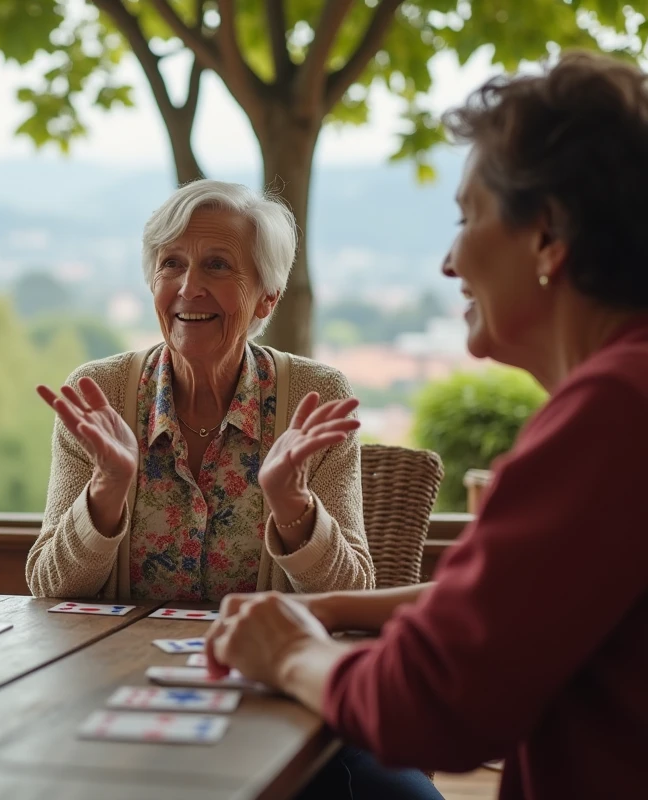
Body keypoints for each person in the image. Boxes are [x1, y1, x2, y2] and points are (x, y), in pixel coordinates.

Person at [205, 51, 648, 799]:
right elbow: (517, 607)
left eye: (468, 217)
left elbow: (429, 708)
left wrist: (286, 655)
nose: (449, 261)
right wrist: (334, 608)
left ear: (547, 235)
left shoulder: (616, 412)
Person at [27, 179, 374, 602]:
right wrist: (107, 488)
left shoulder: (314, 396)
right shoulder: (102, 393)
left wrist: (294, 507)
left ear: (268, 297)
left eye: (218, 265)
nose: (189, 288)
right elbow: (48, 587)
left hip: (259, 663)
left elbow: (354, 593)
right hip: (118, 664)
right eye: (171, 263)